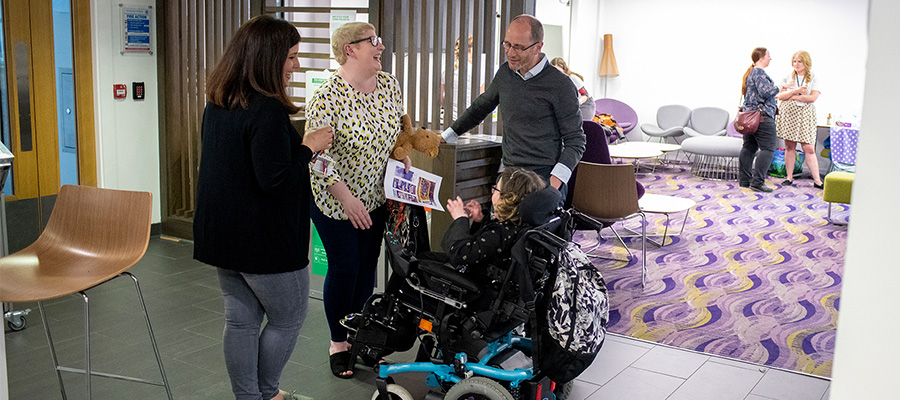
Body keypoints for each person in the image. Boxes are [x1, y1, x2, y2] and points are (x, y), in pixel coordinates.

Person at [193, 15, 333, 400]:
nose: (297, 65)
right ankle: (267, 392)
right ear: (269, 58)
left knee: (240, 321)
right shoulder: (267, 110)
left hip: (223, 234)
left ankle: (249, 397)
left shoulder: (219, 101)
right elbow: (275, 180)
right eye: (291, 57)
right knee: (288, 318)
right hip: (263, 242)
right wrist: (309, 146)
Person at [305, 22, 403, 379]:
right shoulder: (327, 96)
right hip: (335, 200)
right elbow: (317, 156)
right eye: (373, 41)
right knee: (345, 266)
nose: (380, 47)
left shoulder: (389, 85)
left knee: (366, 266)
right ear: (350, 49)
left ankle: (359, 336)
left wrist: (399, 152)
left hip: (375, 197)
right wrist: (345, 197)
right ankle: (338, 342)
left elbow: (396, 128)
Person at [442, 15, 585, 200]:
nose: (510, 53)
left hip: (542, 178)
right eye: (507, 44)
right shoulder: (505, 73)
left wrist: (554, 184)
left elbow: (576, 141)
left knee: (535, 230)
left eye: (518, 47)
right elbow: (481, 107)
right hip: (509, 175)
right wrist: (449, 135)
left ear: (538, 47)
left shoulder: (561, 85)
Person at [443, 168, 547, 273]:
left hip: (475, 279)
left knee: (426, 260)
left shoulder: (500, 233)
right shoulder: (518, 225)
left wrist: (460, 219)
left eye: (496, 189)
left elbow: (460, 255)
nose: (492, 192)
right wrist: (481, 219)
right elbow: (486, 244)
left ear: (505, 199)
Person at [775, 50, 824, 188]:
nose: (796, 64)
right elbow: (779, 96)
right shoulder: (788, 77)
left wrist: (791, 95)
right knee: (789, 146)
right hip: (789, 114)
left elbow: (812, 98)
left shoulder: (813, 77)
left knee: (809, 148)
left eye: (799, 61)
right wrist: (797, 92)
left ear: (806, 62)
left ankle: (817, 181)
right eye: (794, 61)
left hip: (805, 115)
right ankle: (789, 178)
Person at [738, 47, 779, 193]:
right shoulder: (759, 72)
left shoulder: (751, 72)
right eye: (769, 56)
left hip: (750, 116)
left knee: (749, 147)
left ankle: (745, 180)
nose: (770, 58)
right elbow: (766, 92)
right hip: (761, 117)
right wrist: (779, 87)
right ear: (761, 58)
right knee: (768, 148)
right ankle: (757, 182)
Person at [441, 36, 484, 119]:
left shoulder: (446, 73)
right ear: (471, 50)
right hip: (470, 118)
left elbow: (441, 98)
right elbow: (481, 99)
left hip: (450, 117)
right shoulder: (477, 72)